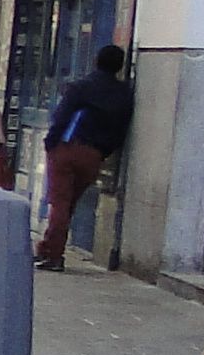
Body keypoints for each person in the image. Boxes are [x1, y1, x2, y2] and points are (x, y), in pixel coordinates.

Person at [35, 43, 134, 271]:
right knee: (69, 203)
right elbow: (120, 131)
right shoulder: (124, 95)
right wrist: (103, 152)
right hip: (94, 155)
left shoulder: (81, 87)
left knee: (59, 203)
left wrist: (51, 143)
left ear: (96, 60)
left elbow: (61, 116)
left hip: (68, 147)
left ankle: (52, 255)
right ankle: (49, 247)